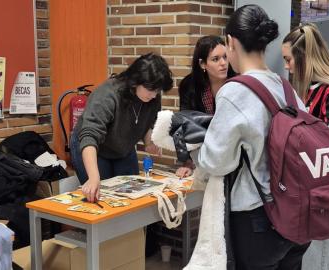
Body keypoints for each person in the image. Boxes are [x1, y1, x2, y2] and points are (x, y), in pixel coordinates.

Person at [189, 4, 310, 269]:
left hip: (259, 220)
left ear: (231, 42)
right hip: (297, 213)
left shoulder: (235, 92)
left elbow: (215, 161)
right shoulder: (285, 86)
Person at [282, 23, 329, 270]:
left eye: (288, 59)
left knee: (323, 262)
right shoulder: (306, 92)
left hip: (327, 192)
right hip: (310, 191)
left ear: (304, 58)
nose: (286, 66)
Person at [70, 53, 173, 202]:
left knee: (132, 198)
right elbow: (89, 136)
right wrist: (93, 178)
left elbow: (147, 123)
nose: (154, 95)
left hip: (123, 146)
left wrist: (149, 141)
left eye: (158, 91)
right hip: (93, 147)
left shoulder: (152, 95)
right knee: (103, 196)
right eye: (151, 90)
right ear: (135, 81)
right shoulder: (108, 94)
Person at [175, 35, 235, 178]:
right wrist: (187, 162)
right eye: (216, 59)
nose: (223, 63)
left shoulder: (237, 82)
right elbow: (183, 125)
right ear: (202, 64)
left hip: (233, 154)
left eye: (225, 57)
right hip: (202, 154)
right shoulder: (189, 86)